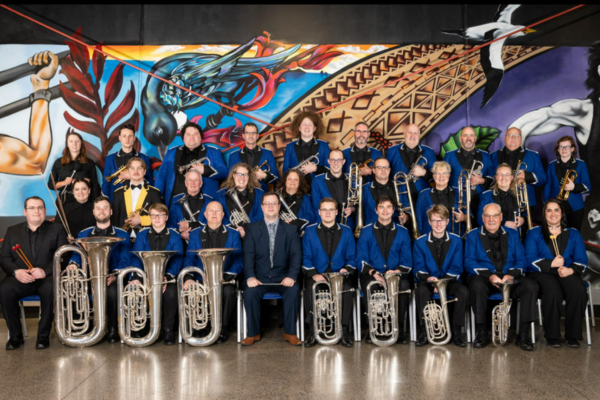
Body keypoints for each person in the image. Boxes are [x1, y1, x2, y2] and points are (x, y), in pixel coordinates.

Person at [465, 203, 538, 350]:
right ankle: (481, 333)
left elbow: (521, 260)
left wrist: (511, 275)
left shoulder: (512, 234)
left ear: (501, 217)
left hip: (509, 277)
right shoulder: (473, 235)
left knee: (531, 286)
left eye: (495, 215)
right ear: (482, 218)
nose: (491, 219)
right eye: (487, 216)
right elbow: (469, 261)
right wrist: (490, 276)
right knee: (476, 285)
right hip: (485, 279)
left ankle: (523, 334)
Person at [0, 196, 68, 350]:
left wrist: (45, 271)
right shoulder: (13, 231)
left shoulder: (57, 229)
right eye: (32, 208)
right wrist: (16, 272)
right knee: (4, 289)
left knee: (51, 289)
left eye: (40, 207)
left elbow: (64, 256)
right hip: (20, 278)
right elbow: (4, 258)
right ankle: (16, 335)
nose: (36, 211)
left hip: (46, 278)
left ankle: (43, 335)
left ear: (45, 211)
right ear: (25, 211)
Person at [66, 196, 131, 344]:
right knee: (75, 287)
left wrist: (114, 275)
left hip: (112, 277)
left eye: (105, 208)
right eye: (98, 208)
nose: (102, 211)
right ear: (93, 212)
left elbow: (125, 259)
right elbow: (77, 255)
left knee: (114, 291)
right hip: (90, 277)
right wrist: (73, 264)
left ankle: (114, 329)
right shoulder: (83, 234)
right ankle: (82, 328)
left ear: (111, 211)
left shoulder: (122, 234)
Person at [525, 199, 589, 348]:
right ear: (544, 213)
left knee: (578, 290)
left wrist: (570, 270)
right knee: (552, 290)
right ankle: (552, 335)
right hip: (541, 273)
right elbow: (529, 259)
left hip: (566, 271)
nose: (553, 214)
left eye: (556, 210)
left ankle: (572, 335)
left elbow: (582, 259)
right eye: (549, 210)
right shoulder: (534, 233)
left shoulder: (573, 233)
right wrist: (550, 264)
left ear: (562, 213)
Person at [241, 192, 302, 346]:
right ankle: (253, 334)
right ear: (262, 207)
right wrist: (250, 277)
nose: (270, 206)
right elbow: (248, 256)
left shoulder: (291, 230)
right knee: (249, 292)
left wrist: (292, 276)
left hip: (283, 277)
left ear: (279, 206)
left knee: (294, 290)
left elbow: (296, 256)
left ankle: (290, 333)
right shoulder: (252, 229)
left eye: (274, 203)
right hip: (259, 277)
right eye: (267, 203)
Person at [183, 201, 242, 344]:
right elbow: (190, 258)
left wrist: (227, 275)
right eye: (211, 211)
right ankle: (200, 327)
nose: (214, 214)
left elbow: (239, 260)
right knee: (193, 290)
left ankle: (222, 328)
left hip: (224, 278)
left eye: (217, 211)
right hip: (200, 278)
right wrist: (189, 277)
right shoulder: (196, 234)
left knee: (228, 292)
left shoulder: (233, 234)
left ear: (223, 215)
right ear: (205, 214)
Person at [356, 195, 412, 345]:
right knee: (370, 286)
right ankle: (373, 328)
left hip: (395, 273)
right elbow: (360, 258)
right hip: (372, 274)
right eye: (381, 207)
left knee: (404, 286)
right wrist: (374, 273)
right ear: (376, 210)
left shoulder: (403, 232)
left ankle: (397, 329)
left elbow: (407, 261)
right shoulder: (366, 231)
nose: (385, 210)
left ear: (393, 210)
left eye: (388, 207)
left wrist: (395, 272)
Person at [302, 197, 357, 347]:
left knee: (346, 289)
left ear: (336, 212)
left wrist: (346, 269)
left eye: (331, 209)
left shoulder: (346, 231)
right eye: (324, 210)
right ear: (319, 212)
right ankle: (313, 331)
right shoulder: (309, 231)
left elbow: (352, 258)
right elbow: (306, 257)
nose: (328, 213)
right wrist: (314, 274)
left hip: (340, 275)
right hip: (317, 275)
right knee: (310, 289)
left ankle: (344, 330)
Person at [413, 205, 468, 347]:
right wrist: (430, 280)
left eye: (441, 220)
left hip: (449, 280)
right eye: (435, 220)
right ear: (429, 222)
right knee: (421, 291)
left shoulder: (456, 241)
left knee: (463, 291)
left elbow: (457, 267)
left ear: (447, 221)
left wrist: (441, 283)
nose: (438, 224)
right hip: (428, 280)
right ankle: (425, 332)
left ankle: (456, 332)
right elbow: (418, 268)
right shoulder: (419, 242)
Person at [131, 203, 184, 345]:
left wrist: (167, 277)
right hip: (145, 276)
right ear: (150, 217)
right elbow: (136, 258)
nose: (157, 218)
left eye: (160, 215)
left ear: (166, 217)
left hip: (167, 277)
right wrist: (139, 277)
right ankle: (141, 327)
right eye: (154, 215)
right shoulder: (142, 235)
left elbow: (178, 259)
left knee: (171, 293)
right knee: (135, 290)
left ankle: (168, 329)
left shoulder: (175, 235)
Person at [155, 121, 227, 207]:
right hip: (175, 203)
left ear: (201, 138)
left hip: (205, 205)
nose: (192, 137)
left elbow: (224, 172)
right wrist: (158, 199)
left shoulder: (214, 152)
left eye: (195, 134)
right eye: (188, 134)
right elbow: (161, 177)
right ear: (183, 138)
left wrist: (205, 170)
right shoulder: (172, 152)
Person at [443, 126, 494, 224]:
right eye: (465, 135)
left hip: (480, 200)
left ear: (475, 138)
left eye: (471, 135)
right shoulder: (449, 156)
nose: (468, 138)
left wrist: (481, 181)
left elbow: (493, 177)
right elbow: (443, 178)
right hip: (458, 201)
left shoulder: (486, 156)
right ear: (460, 138)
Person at [490, 127, 546, 212]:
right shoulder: (493, 156)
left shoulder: (533, 155)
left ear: (520, 138)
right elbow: (489, 178)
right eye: (510, 135)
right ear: (505, 138)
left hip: (524, 202)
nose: (513, 138)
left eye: (516, 135)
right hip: (498, 201)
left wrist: (526, 176)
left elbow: (542, 178)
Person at [544, 136, 591, 230]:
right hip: (556, 207)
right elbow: (547, 187)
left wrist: (574, 187)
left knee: (574, 235)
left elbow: (587, 187)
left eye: (567, 147)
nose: (564, 149)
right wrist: (546, 206)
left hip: (575, 207)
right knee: (556, 234)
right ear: (558, 149)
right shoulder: (551, 165)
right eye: (561, 147)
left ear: (573, 149)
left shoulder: (581, 164)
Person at [111, 157, 163, 239]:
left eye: (139, 168)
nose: (136, 171)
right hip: (123, 239)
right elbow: (114, 220)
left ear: (144, 171)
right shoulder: (118, 193)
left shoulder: (154, 193)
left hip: (147, 238)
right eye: (132, 168)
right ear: (128, 171)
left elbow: (161, 217)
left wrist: (141, 220)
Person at [386, 123, 436, 206]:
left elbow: (437, 176)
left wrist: (424, 172)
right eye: (410, 132)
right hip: (399, 196)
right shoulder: (392, 151)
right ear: (404, 134)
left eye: (415, 133)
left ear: (419, 135)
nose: (413, 135)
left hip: (422, 196)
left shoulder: (429, 152)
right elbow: (385, 175)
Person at [102, 123, 153, 202]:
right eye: (124, 136)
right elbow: (106, 184)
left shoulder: (144, 158)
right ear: (119, 138)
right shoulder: (110, 158)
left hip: (138, 200)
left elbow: (149, 182)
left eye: (130, 136)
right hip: (116, 201)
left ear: (134, 138)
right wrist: (106, 201)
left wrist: (131, 176)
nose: (127, 139)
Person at [48, 130, 101, 205]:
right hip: (65, 200)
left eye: (77, 141)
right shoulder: (58, 163)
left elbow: (94, 186)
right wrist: (64, 182)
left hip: (84, 200)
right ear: (67, 144)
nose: (74, 144)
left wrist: (96, 203)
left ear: (81, 144)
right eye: (71, 141)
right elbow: (51, 184)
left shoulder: (89, 163)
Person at [415, 161, 467, 236]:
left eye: (444, 173)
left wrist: (464, 217)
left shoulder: (459, 193)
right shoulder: (423, 194)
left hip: (455, 237)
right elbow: (418, 219)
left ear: (449, 175)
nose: (441, 176)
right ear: (433, 176)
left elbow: (469, 216)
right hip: (429, 237)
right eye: (438, 173)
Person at [215, 163, 264, 239]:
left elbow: (262, 214)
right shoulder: (221, 194)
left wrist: (246, 228)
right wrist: (234, 229)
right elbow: (218, 215)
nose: (242, 177)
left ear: (249, 176)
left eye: (245, 174)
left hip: (254, 235)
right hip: (229, 235)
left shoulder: (259, 193)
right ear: (233, 175)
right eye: (239, 174)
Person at [478, 164, 528, 238]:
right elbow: (480, 219)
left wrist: (523, 220)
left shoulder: (520, 194)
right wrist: (504, 223)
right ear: (496, 177)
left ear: (512, 177)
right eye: (500, 174)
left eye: (507, 174)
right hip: (495, 237)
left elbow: (526, 214)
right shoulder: (486, 196)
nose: (504, 178)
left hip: (518, 236)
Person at [227, 122, 280, 192]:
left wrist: (264, 176)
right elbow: (230, 180)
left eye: (253, 133)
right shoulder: (233, 156)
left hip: (262, 195)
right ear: (243, 135)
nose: (251, 135)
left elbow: (277, 178)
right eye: (247, 133)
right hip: (240, 196)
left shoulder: (268, 153)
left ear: (257, 136)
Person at [311, 149, 356, 230]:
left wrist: (353, 209)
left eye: (339, 160)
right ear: (328, 161)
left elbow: (358, 203)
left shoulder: (352, 179)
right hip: (325, 226)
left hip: (348, 226)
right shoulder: (317, 180)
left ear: (343, 161)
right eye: (333, 160)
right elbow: (316, 207)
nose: (336, 163)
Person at [282, 111, 331, 184]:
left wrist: (315, 168)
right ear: (299, 128)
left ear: (314, 128)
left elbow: (330, 170)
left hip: (318, 186)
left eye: (310, 124)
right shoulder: (290, 147)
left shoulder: (324, 145)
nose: (307, 127)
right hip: (297, 188)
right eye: (304, 124)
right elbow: (285, 172)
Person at [361, 157, 408, 228]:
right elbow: (360, 213)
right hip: (371, 232)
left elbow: (408, 208)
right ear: (373, 170)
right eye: (379, 167)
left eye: (386, 167)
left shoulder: (400, 186)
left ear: (389, 170)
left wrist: (406, 217)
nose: (383, 170)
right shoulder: (364, 188)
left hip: (396, 230)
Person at [168, 169, 211, 240]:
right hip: (182, 244)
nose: (192, 183)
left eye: (196, 180)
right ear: (186, 183)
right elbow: (170, 226)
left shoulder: (210, 201)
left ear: (201, 183)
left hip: (204, 242)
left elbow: (213, 224)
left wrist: (190, 225)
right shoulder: (175, 200)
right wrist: (181, 235)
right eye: (190, 180)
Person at [275, 169, 316, 234]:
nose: (292, 181)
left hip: (298, 236)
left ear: (300, 182)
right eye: (289, 179)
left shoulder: (306, 198)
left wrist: (293, 224)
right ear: (285, 181)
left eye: (296, 179)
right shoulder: (275, 198)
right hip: (279, 234)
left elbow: (311, 217)